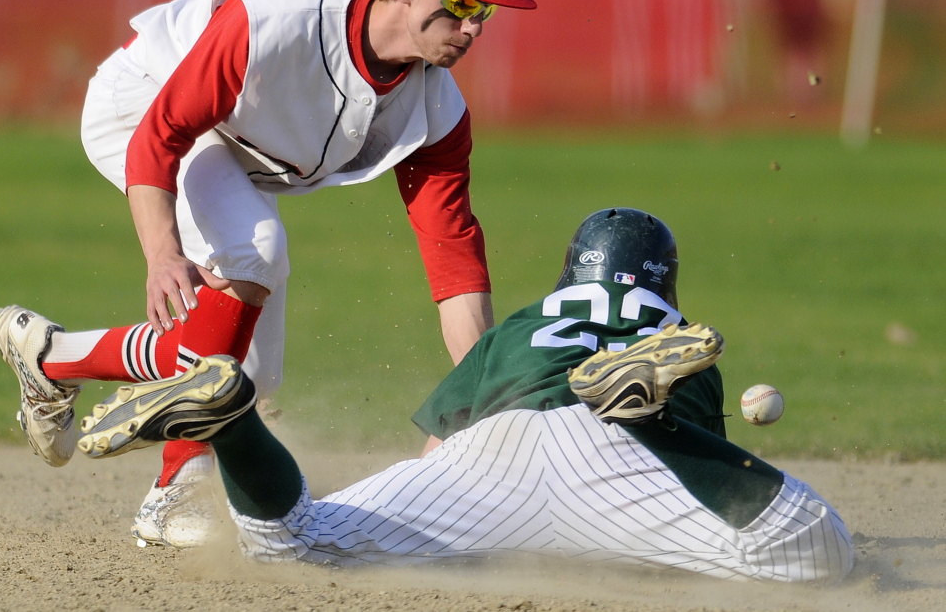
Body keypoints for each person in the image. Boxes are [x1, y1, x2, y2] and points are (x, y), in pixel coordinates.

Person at [0, 0, 536, 549]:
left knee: (251, 374)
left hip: (227, 145)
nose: (473, 29)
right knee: (255, 253)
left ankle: (55, 360)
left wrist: (476, 393)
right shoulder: (282, 20)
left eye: (486, 12)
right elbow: (160, 133)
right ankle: (175, 487)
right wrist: (162, 252)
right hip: (142, 101)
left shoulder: (436, 108)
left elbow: (453, 264)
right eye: (461, 5)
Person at [76, 208, 854, 581]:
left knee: (295, 538)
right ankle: (643, 415)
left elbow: (435, 452)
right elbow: (712, 498)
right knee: (814, 552)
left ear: (567, 275)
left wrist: (440, 516)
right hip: (628, 463)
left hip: (497, 451)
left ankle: (234, 418)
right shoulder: (684, 337)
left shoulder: (518, 327)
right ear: (667, 286)